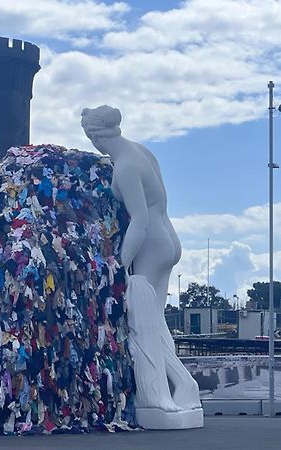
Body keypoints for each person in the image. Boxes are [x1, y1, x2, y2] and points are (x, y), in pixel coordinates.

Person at [81, 106, 201, 413]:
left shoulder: (125, 168)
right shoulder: (142, 152)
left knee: (143, 321)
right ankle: (185, 387)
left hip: (149, 244)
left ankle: (160, 394)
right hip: (169, 240)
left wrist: (120, 264)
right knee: (156, 320)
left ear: (95, 135)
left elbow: (140, 221)